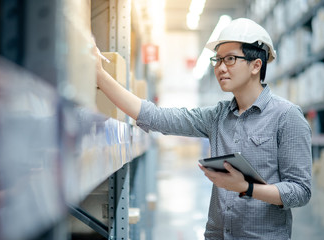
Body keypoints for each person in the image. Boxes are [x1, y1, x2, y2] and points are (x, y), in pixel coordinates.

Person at [95, 18, 312, 240]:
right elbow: (156, 117)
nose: (220, 68)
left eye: (230, 59)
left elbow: (301, 191)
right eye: (217, 60)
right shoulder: (217, 116)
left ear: (256, 65)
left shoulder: (287, 117)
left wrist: (246, 187)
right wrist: (101, 77)